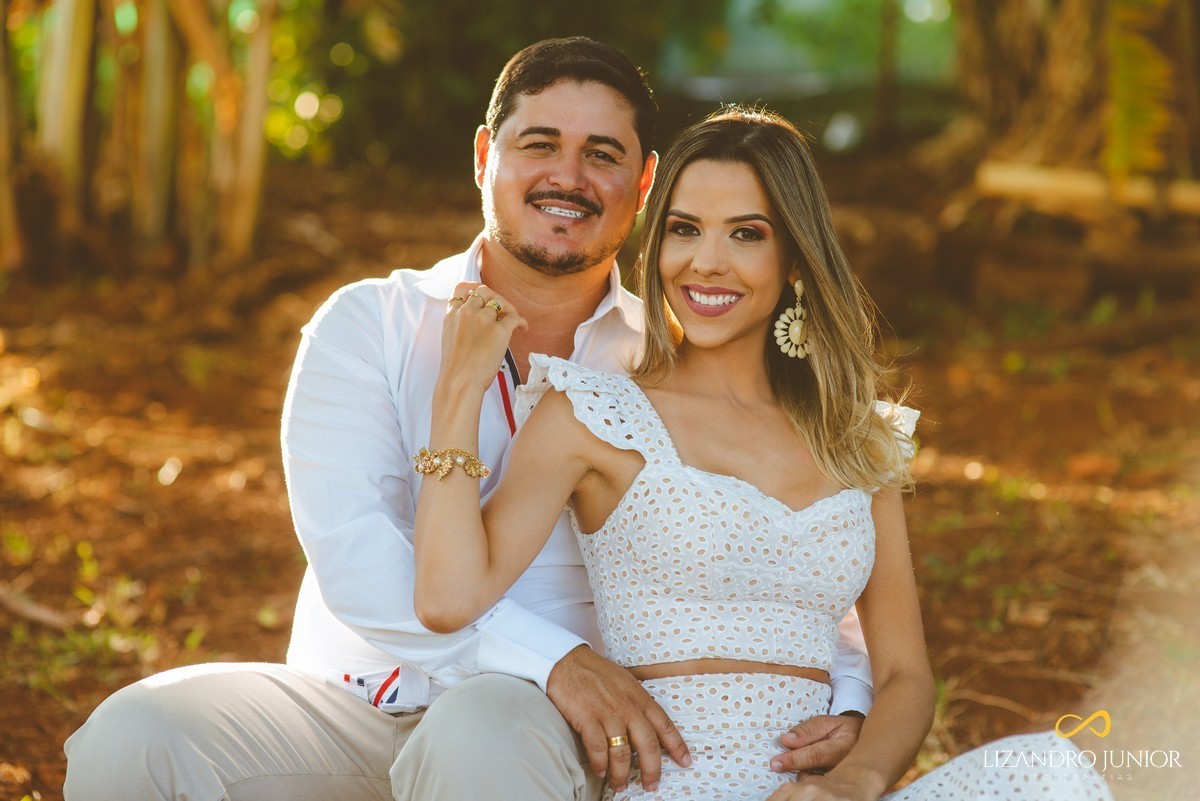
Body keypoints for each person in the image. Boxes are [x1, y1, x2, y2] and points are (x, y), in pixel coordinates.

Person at [63, 38, 874, 801]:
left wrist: (848, 696)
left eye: (603, 154)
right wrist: (554, 658)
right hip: (352, 704)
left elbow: (776, 552)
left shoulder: (671, 362)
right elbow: (359, 559)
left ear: (645, 184)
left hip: (551, 726)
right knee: (134, 737)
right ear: (485, 155)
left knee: (481, 728)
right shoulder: (368, 325)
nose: (568, 176)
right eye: (539, 144)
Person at [411, 107, 1116, 800]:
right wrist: (459, 389)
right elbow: (447, 600)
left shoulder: (854, 438)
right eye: (684, 229)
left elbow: (906, 676)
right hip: (680, 788)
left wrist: (850, 785)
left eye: (746, 234)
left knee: (1049, 773)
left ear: (795, 259)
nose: (706, 262)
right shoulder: (595, 416)